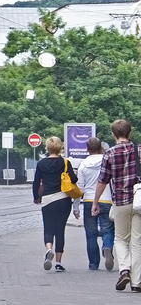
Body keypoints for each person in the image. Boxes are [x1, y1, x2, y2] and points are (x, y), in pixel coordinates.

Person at [92, 119, 141, 292]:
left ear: (113, 135)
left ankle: (124, 270)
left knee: (120, 239)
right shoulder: (140, 150)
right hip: (139, 201)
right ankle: (136, 283)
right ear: (130, 132)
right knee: (137, 241)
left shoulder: (110, 154)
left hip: (120, 201)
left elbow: (102, 181)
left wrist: (95, 202)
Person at [32, 136, 77, 272]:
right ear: (60, 148)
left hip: (48, 200)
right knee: (60, 230)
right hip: (63, 199)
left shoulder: (41, 164)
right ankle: (58, 262)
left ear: (48, 148)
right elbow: (74, 179)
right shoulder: (65, 162)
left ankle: (48, 250)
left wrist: (36, 197)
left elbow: (35, 182)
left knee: (48, 228)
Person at [74, 137, 114, 271]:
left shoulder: (83, 164)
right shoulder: (107, 161)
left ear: (87, 149)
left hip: (89, 201)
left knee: (90, 234)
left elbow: (80, 188)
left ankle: (93, 264)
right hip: (107, 199)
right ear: (101, 147)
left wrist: (75, 207)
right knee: (107, 229)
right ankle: (107, 247)